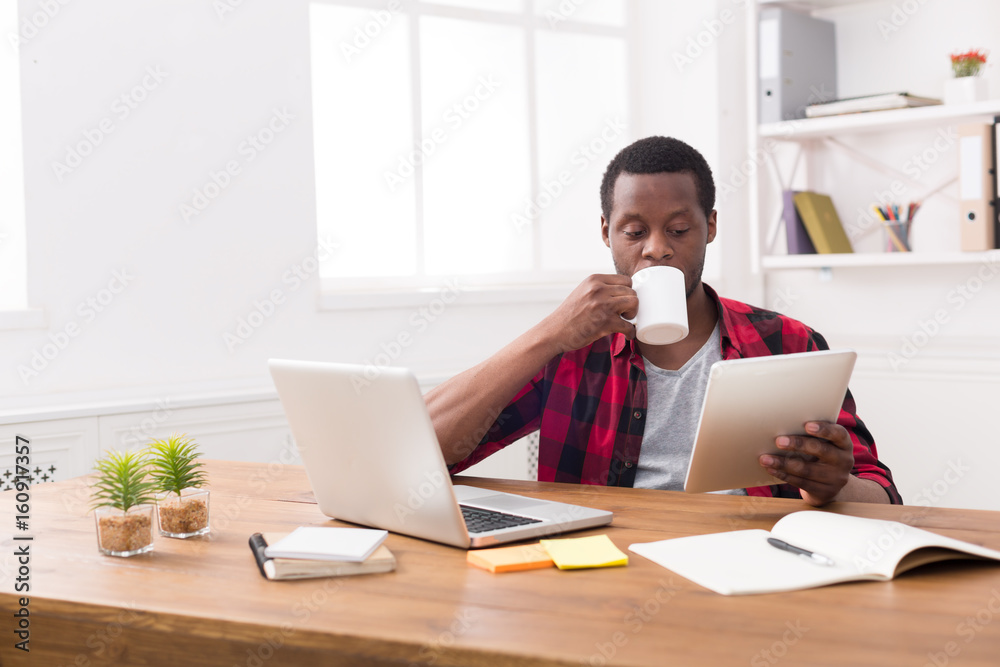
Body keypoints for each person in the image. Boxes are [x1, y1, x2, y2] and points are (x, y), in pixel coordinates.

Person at [426, 136, 900, 506]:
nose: (657, 248)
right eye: (634, 232)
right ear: (606, 233)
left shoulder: (787, 341)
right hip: (610, 570)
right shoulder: (570, 348)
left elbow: (881, 494)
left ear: (710, 227)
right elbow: (425, 450)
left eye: (678, 230)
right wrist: (551, 332)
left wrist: (833, 487)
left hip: (754, 562)